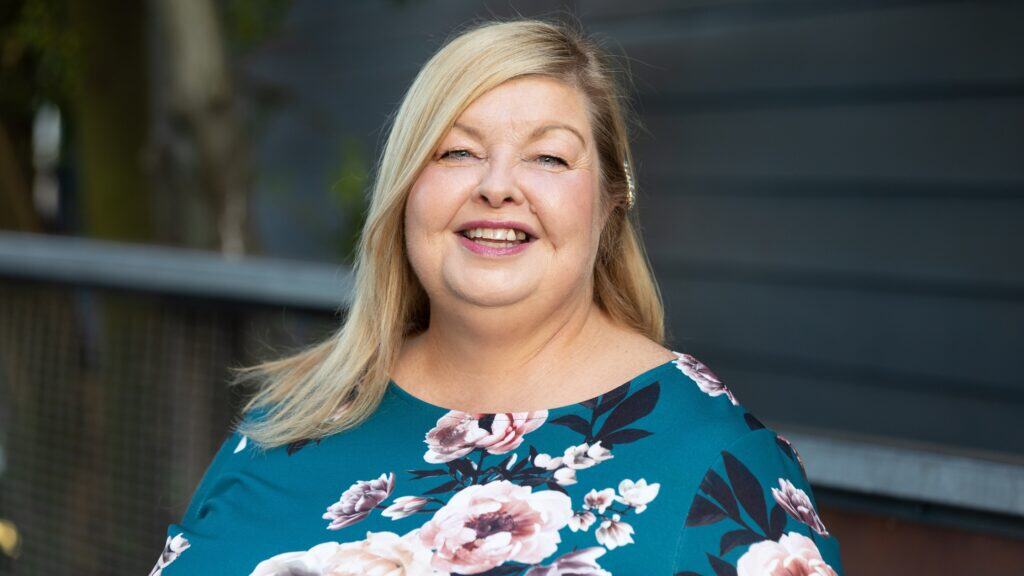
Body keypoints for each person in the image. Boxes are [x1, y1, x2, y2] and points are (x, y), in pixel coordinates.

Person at [151, 17, 844, 576]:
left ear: (610, 202)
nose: (496, 186)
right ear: (404, 191)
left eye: (549, 157)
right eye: (456, 151)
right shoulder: (292, 416)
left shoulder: (718, 466)